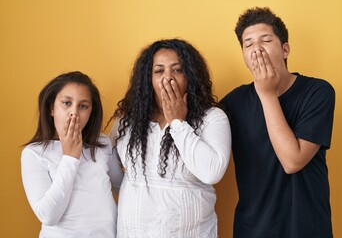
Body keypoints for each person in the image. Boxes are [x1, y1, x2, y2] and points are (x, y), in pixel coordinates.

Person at [221, 7, 335, 238]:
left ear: (285, 49)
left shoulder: (318, 92)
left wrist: (266, 93)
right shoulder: (234, 102)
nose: (257, 49)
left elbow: (293, 161)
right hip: (253, 229)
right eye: (248, 44)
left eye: (265, 40)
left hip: (307, 228)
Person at [109, 38, 231, 237]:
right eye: (159, 71)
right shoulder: (127, 122)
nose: (168, 78)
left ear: (191, 76)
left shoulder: (212, 118)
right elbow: (113, 176)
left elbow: (212, 172)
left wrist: (177, 122)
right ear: (147, 79)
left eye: (177, 70)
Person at [21, 71, 123, 238]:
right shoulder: (34, 153)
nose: (74, 113)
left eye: (83, 106)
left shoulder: (102, 143)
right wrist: (70, 157)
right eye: (67, 103)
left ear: (91, 112)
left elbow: (122, 186)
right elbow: (48, 215)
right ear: (52, 108)